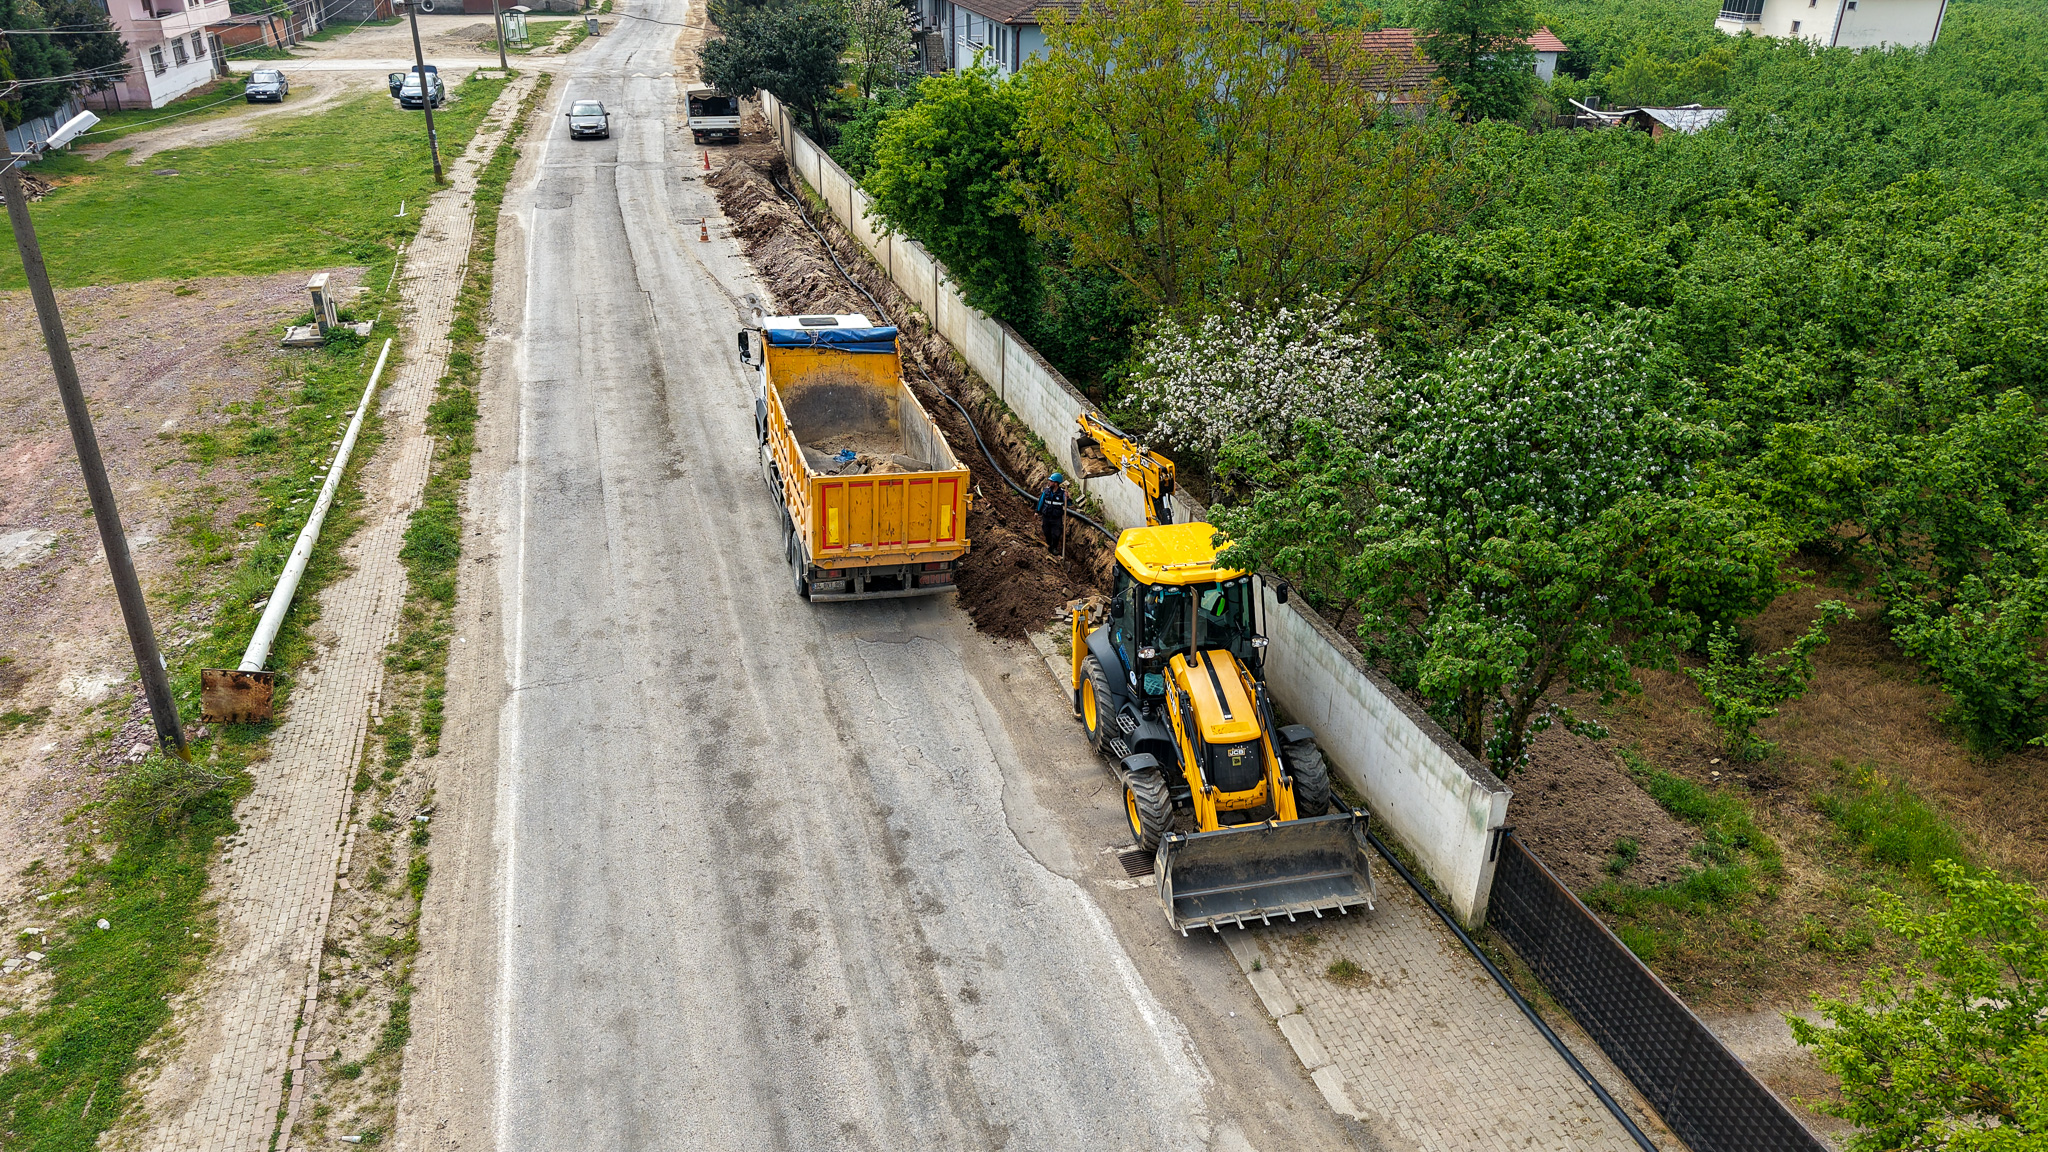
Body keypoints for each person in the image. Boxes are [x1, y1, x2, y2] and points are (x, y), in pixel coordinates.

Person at [1036, 472, 1069, 552]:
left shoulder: (1062, 493)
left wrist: (1067, 497)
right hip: (1046, 516)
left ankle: (1054, 548)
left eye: (1051, 481)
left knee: (1056, 534)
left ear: (1055, 483)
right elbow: (1041, 501)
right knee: (1046, 532)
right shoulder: (1046, 491)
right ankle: (1049, 545)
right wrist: (1037, 511)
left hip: (1056, 518)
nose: (1049, 482)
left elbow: (1068, 504)